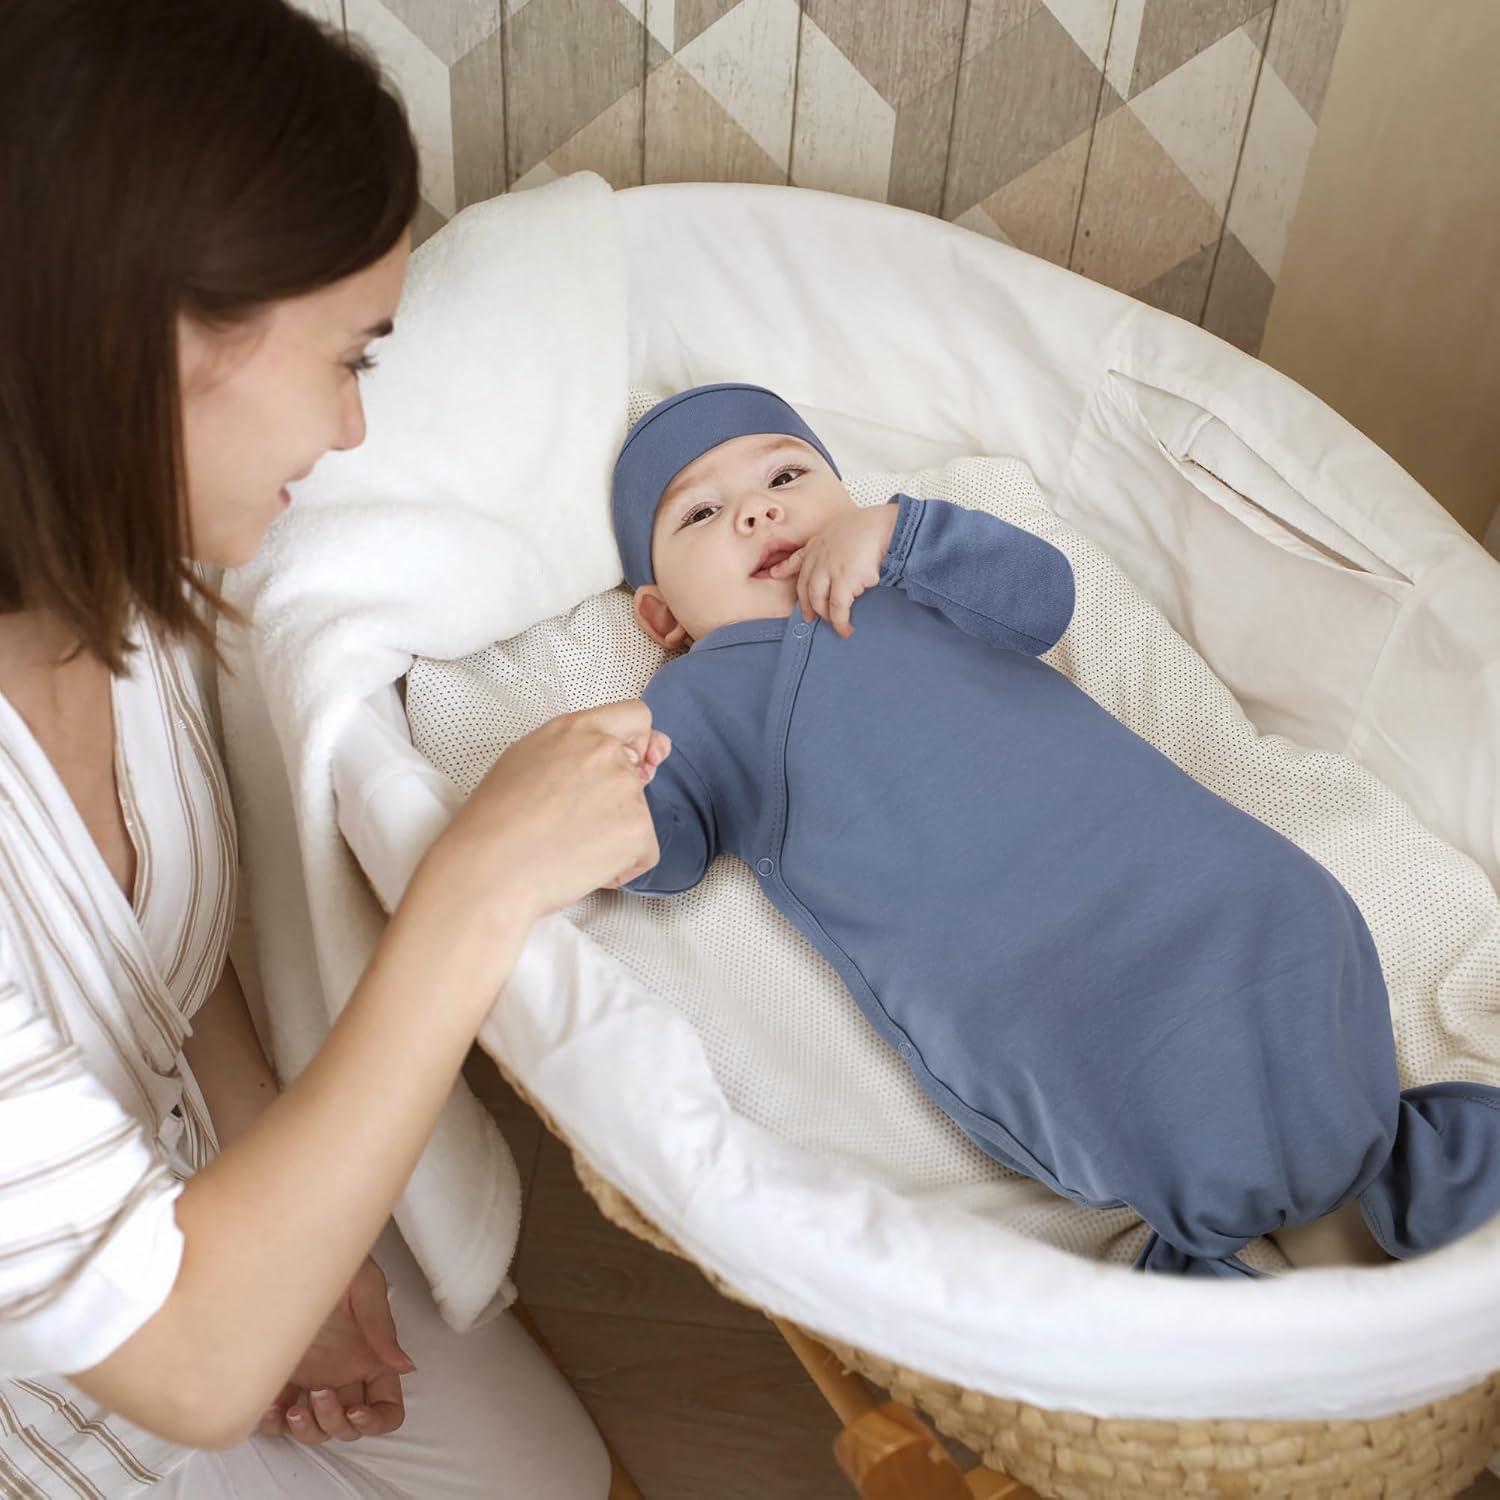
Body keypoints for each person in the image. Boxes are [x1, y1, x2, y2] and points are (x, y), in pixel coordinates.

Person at [0, 2, 667, 1495]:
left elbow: (165, 966)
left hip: (168, 1213)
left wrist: (291, 1225)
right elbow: (186, 1359)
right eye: (347, 358)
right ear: (150, 349)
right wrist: (474, 891)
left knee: (556, 1477)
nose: (355, 432)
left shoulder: (120, 579)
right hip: (53, 1396)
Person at [609, 381, 1500, 1278]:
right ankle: (1264, 1237)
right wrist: (619, 808)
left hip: (1173, 860)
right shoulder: (698, 698)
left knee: (1287, 916)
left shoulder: (912, 574)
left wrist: (904, 536)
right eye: (702, 514)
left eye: (788, 474)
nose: (758, 510)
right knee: (1114, 1072)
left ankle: (1365, 1167)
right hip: (1023, 977)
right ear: (663, 618)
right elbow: (667, 840)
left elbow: (1045, 599)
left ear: (847, 499)